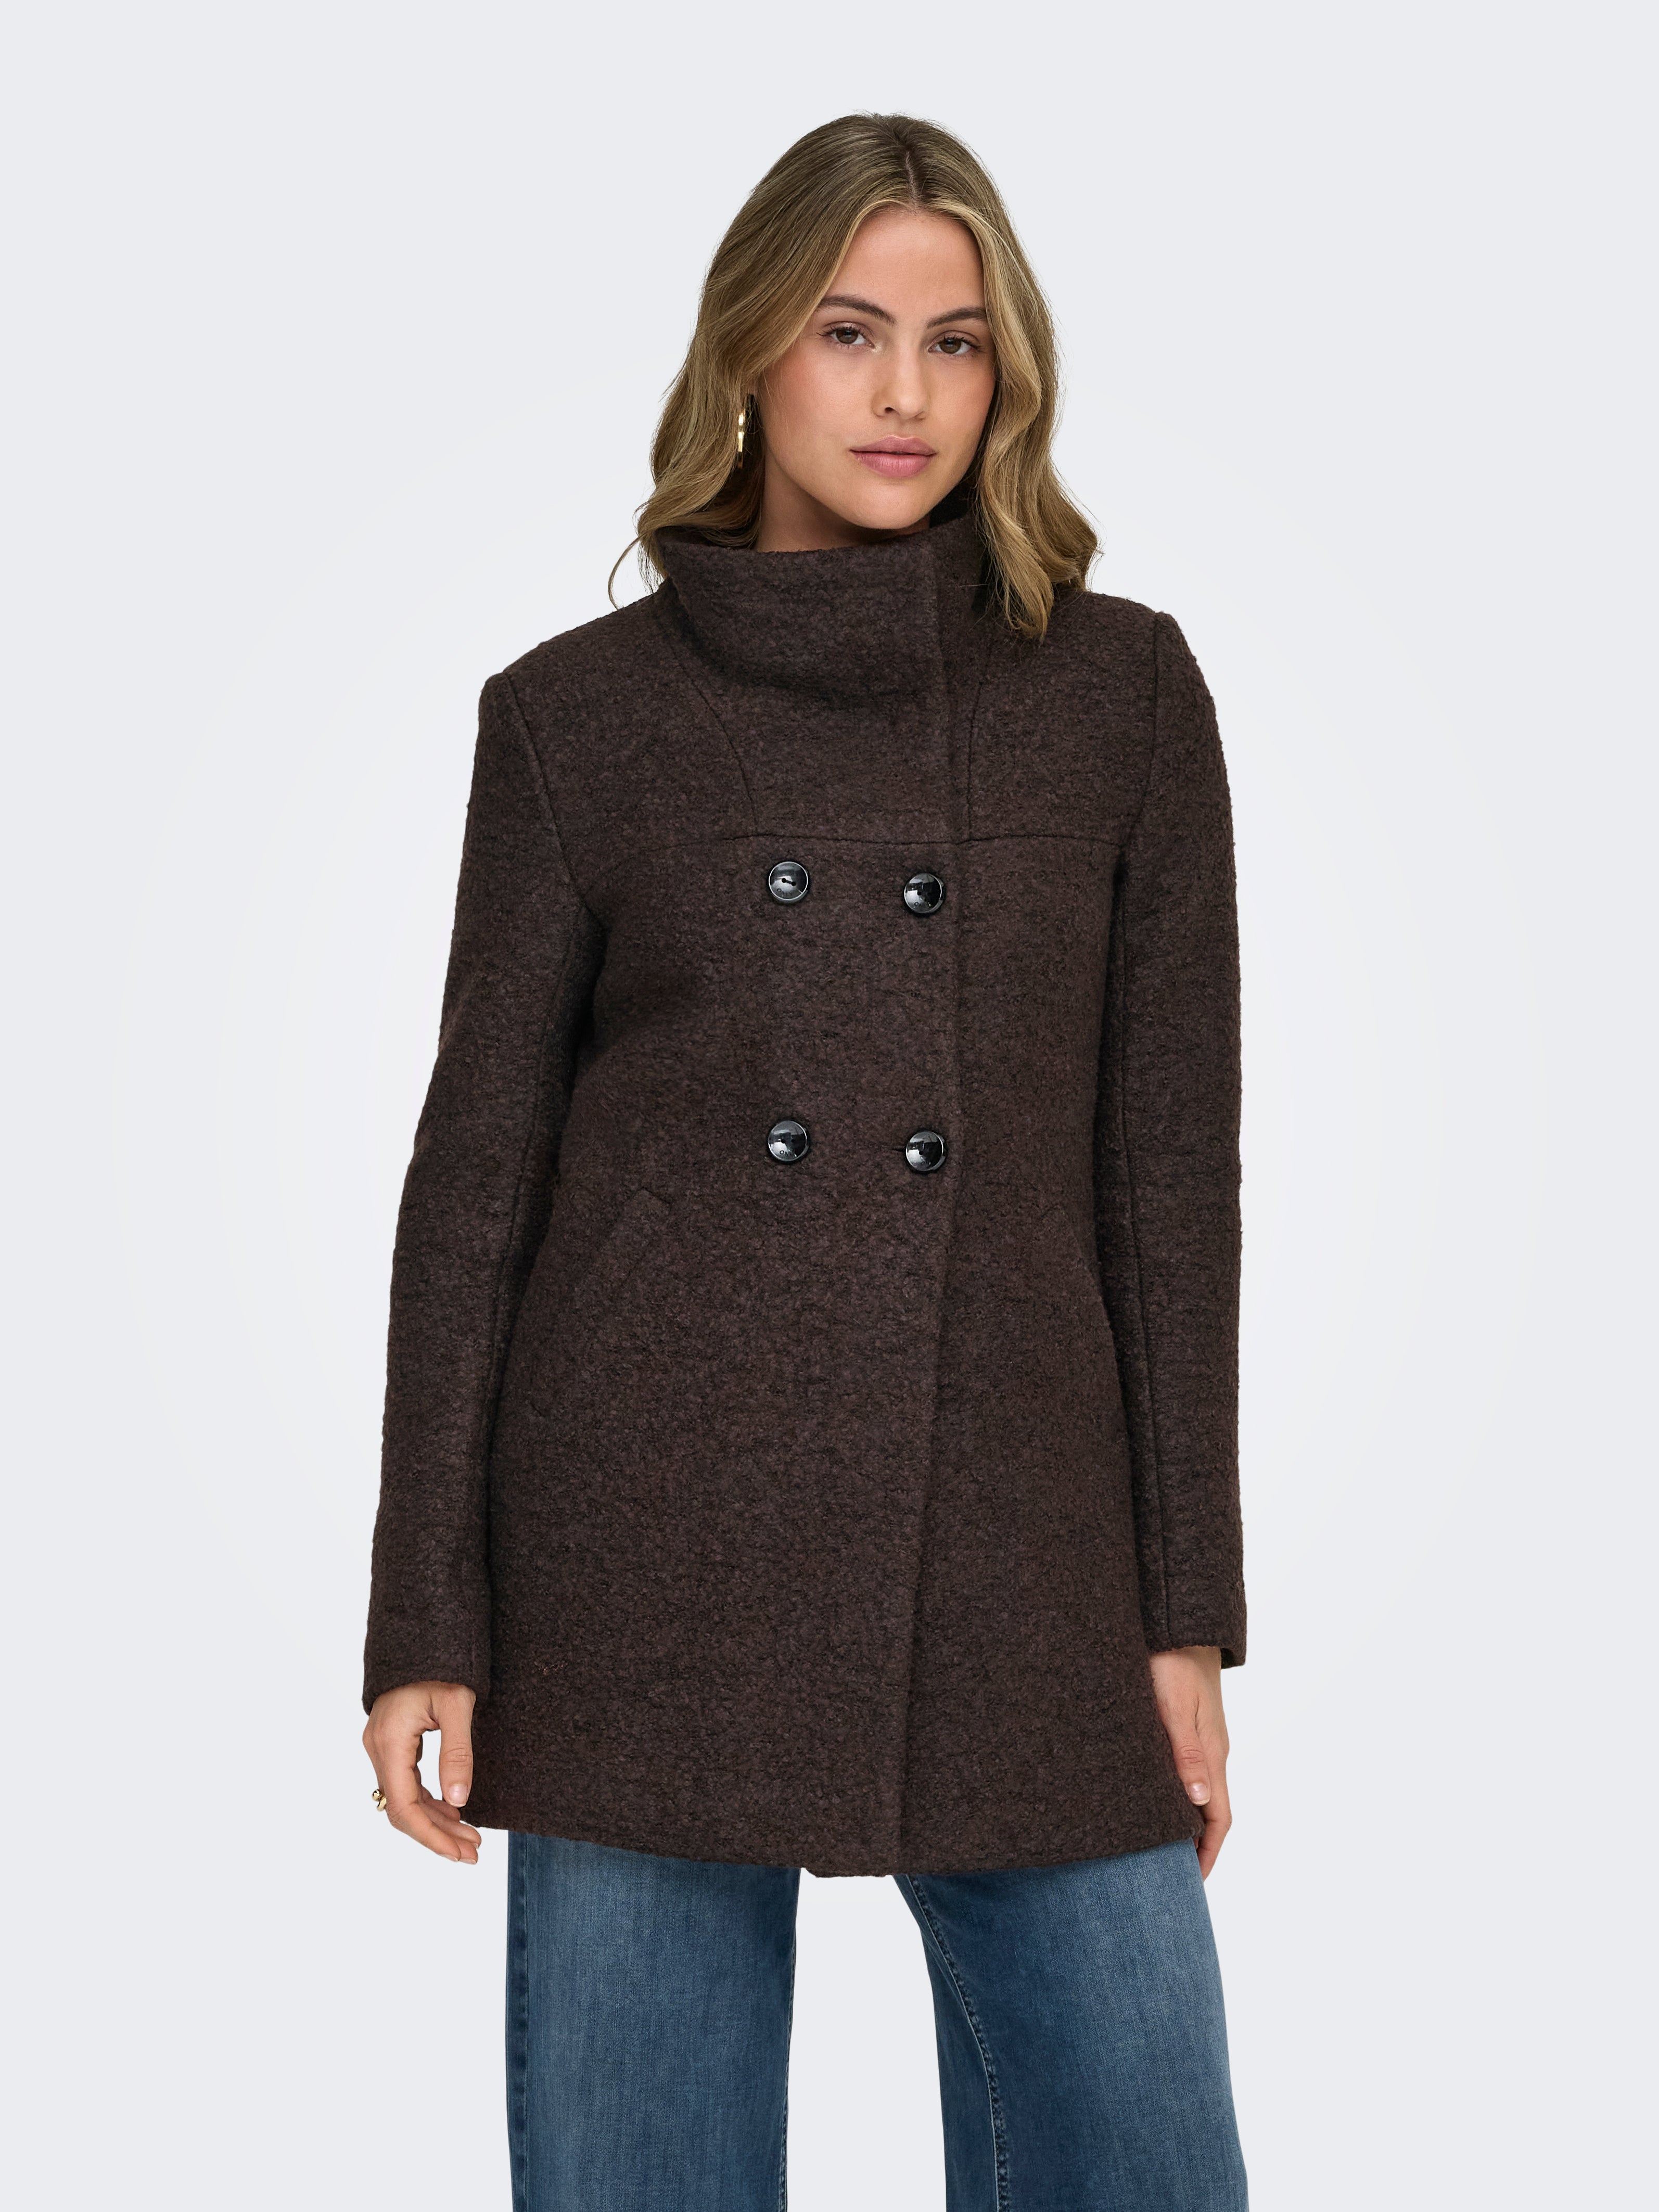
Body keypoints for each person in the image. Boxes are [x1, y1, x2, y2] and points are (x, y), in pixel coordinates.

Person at [362, 110, 1249, 2212]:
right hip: (642, 1540)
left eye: (956, 341)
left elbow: (1168, 1186)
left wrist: (1183, 1609)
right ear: (749, 351)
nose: (903, 392)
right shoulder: (575, 720)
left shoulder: (1117, 695)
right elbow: (474, 1188)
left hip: (1023, 1530)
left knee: (1144, 2155)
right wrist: (425, 1610)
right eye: (849, 331)